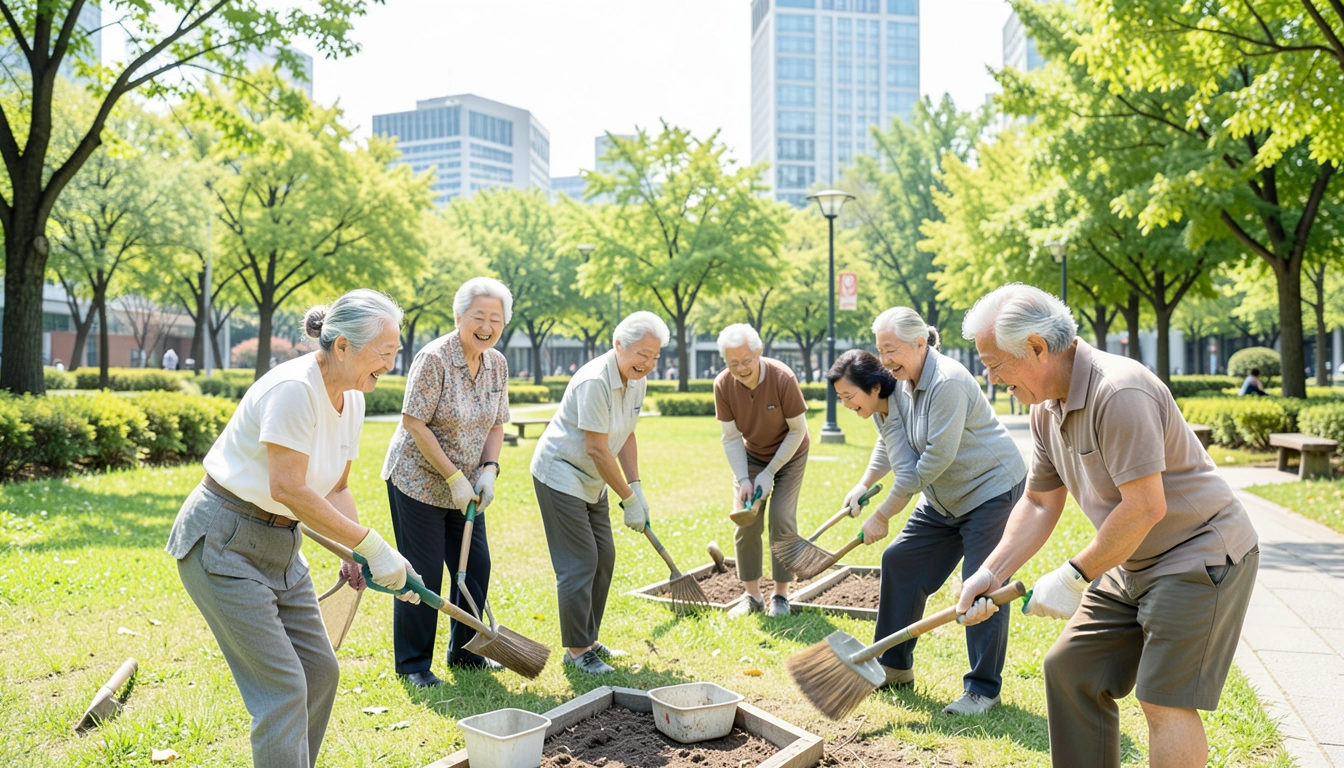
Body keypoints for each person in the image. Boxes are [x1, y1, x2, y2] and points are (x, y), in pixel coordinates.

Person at [957, 284, 1258, 768]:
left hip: (1199, 553)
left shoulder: (1118, 390)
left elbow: (1144, 508)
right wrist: (990, 573)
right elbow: (1037, 502)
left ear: (1037, 347)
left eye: (994, 364)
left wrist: (1074, 575)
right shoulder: (1043, 409)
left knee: (1162, 698)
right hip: (1133, 557)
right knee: (1071, 670)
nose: (989, 378)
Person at [165, 289, 418, 768]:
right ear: (341, 346)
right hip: (223, 542)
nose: (390, 363)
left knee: (320, 673)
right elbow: (289, 488)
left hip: (282, 546)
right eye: (383, 353)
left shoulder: (353, 399)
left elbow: (337, 486)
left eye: (394, 352)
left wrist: (354, 552)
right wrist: (377, 546)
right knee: (283, 689)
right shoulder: (294, 389)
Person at [828, 305, 1027, 716]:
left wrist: (883, 513)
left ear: (920, 343)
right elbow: (892, 442)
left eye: (891, 349)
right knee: (900, 560)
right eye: (880, 350)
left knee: (981, 582)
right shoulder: (900, 383)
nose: (884, 361)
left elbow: (932, 461)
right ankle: (894, 666)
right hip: (942, 500)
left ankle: (982, 690)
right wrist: (865, 484)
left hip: (989, 490)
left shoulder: (948, 383)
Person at [380, 277, 512, 686]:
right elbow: (413, 421)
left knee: (475, 565)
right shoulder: (435, 358)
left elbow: (496, 422)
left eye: (496, 318)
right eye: (479, 316)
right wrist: (453, 477)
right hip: (417, 480)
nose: (487, 325)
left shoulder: (497, 364)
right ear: (459, 317)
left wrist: (489, 469)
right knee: (421, 575)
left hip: (467, 486)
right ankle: (414, 665)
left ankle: (466, 653)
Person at [530, 311, 669, 675]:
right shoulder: (595, 381)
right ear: (619, 344)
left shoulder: (636, 380)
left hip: (593, 477)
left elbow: (626, 435)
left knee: (604, 556)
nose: (649, 364)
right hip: (561, 473)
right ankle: (576, 652)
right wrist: (628, 498)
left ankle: (589, 639)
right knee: (580, 562)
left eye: (655, 357)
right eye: (643, 354)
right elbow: (596, 448)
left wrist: (635, 486)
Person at [714, 324, 810, 618]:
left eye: (746, 361)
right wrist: (745, 478)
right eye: (733, 364)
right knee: (746, 521)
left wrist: (770, 472)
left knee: (781, 517)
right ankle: (752, 596)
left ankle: (781, 595)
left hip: (790, 454)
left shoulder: (783, 378)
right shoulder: (723, 385)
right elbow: (731, 437)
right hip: (751, 455)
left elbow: (798, 431)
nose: (741, 369)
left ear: (759, 352)